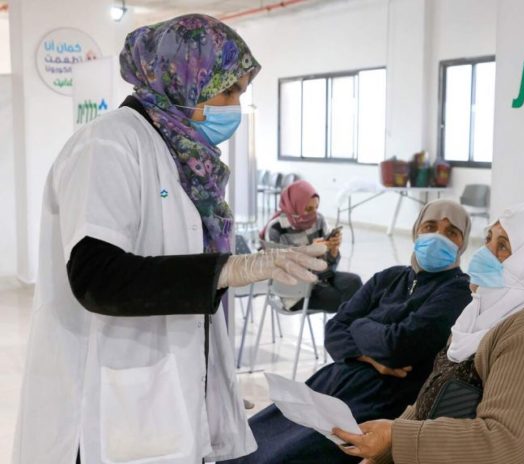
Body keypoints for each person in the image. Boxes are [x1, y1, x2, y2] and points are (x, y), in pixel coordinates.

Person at [12, 15, 328, 464]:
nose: (235, 106)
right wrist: (227, 269)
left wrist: (212, 387)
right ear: (184, 79)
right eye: (227, 91)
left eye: (241, 93)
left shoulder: (185, 158)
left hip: (167, 394)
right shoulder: (109, 144)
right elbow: (97, 277)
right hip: (108, 398)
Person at [334, 203, 524, 464]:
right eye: (488, 239)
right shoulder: (479, 316)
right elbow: (432, 398)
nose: (485, 253)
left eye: (503, 246)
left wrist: (397, 439)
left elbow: (503, 445)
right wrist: (386, 451)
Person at [223, 199, 473, 464]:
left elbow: (397, 347)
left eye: (451, 232)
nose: (438, 237)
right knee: (247, 441)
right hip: (335, 381)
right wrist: (367, 356)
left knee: (284, 455)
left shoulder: (456, 292)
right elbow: (333, 331)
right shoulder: (389, 277)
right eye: (430, 226)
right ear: (416, 231)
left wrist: (358, 324)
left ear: (463, 243)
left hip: (381, 399)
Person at [261, 179, 363, 312]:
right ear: (295, 206)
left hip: (321, 278)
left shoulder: (319, 220)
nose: (314, 213)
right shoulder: (276, 228)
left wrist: (333, 251)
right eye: (308, 209)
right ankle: (349, 324)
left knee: (355, 282)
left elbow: (329, 267)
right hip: (295, 290)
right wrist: (310, 251)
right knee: (349, 299)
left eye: (316, 207)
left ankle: (349, 323)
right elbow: (279, 267)